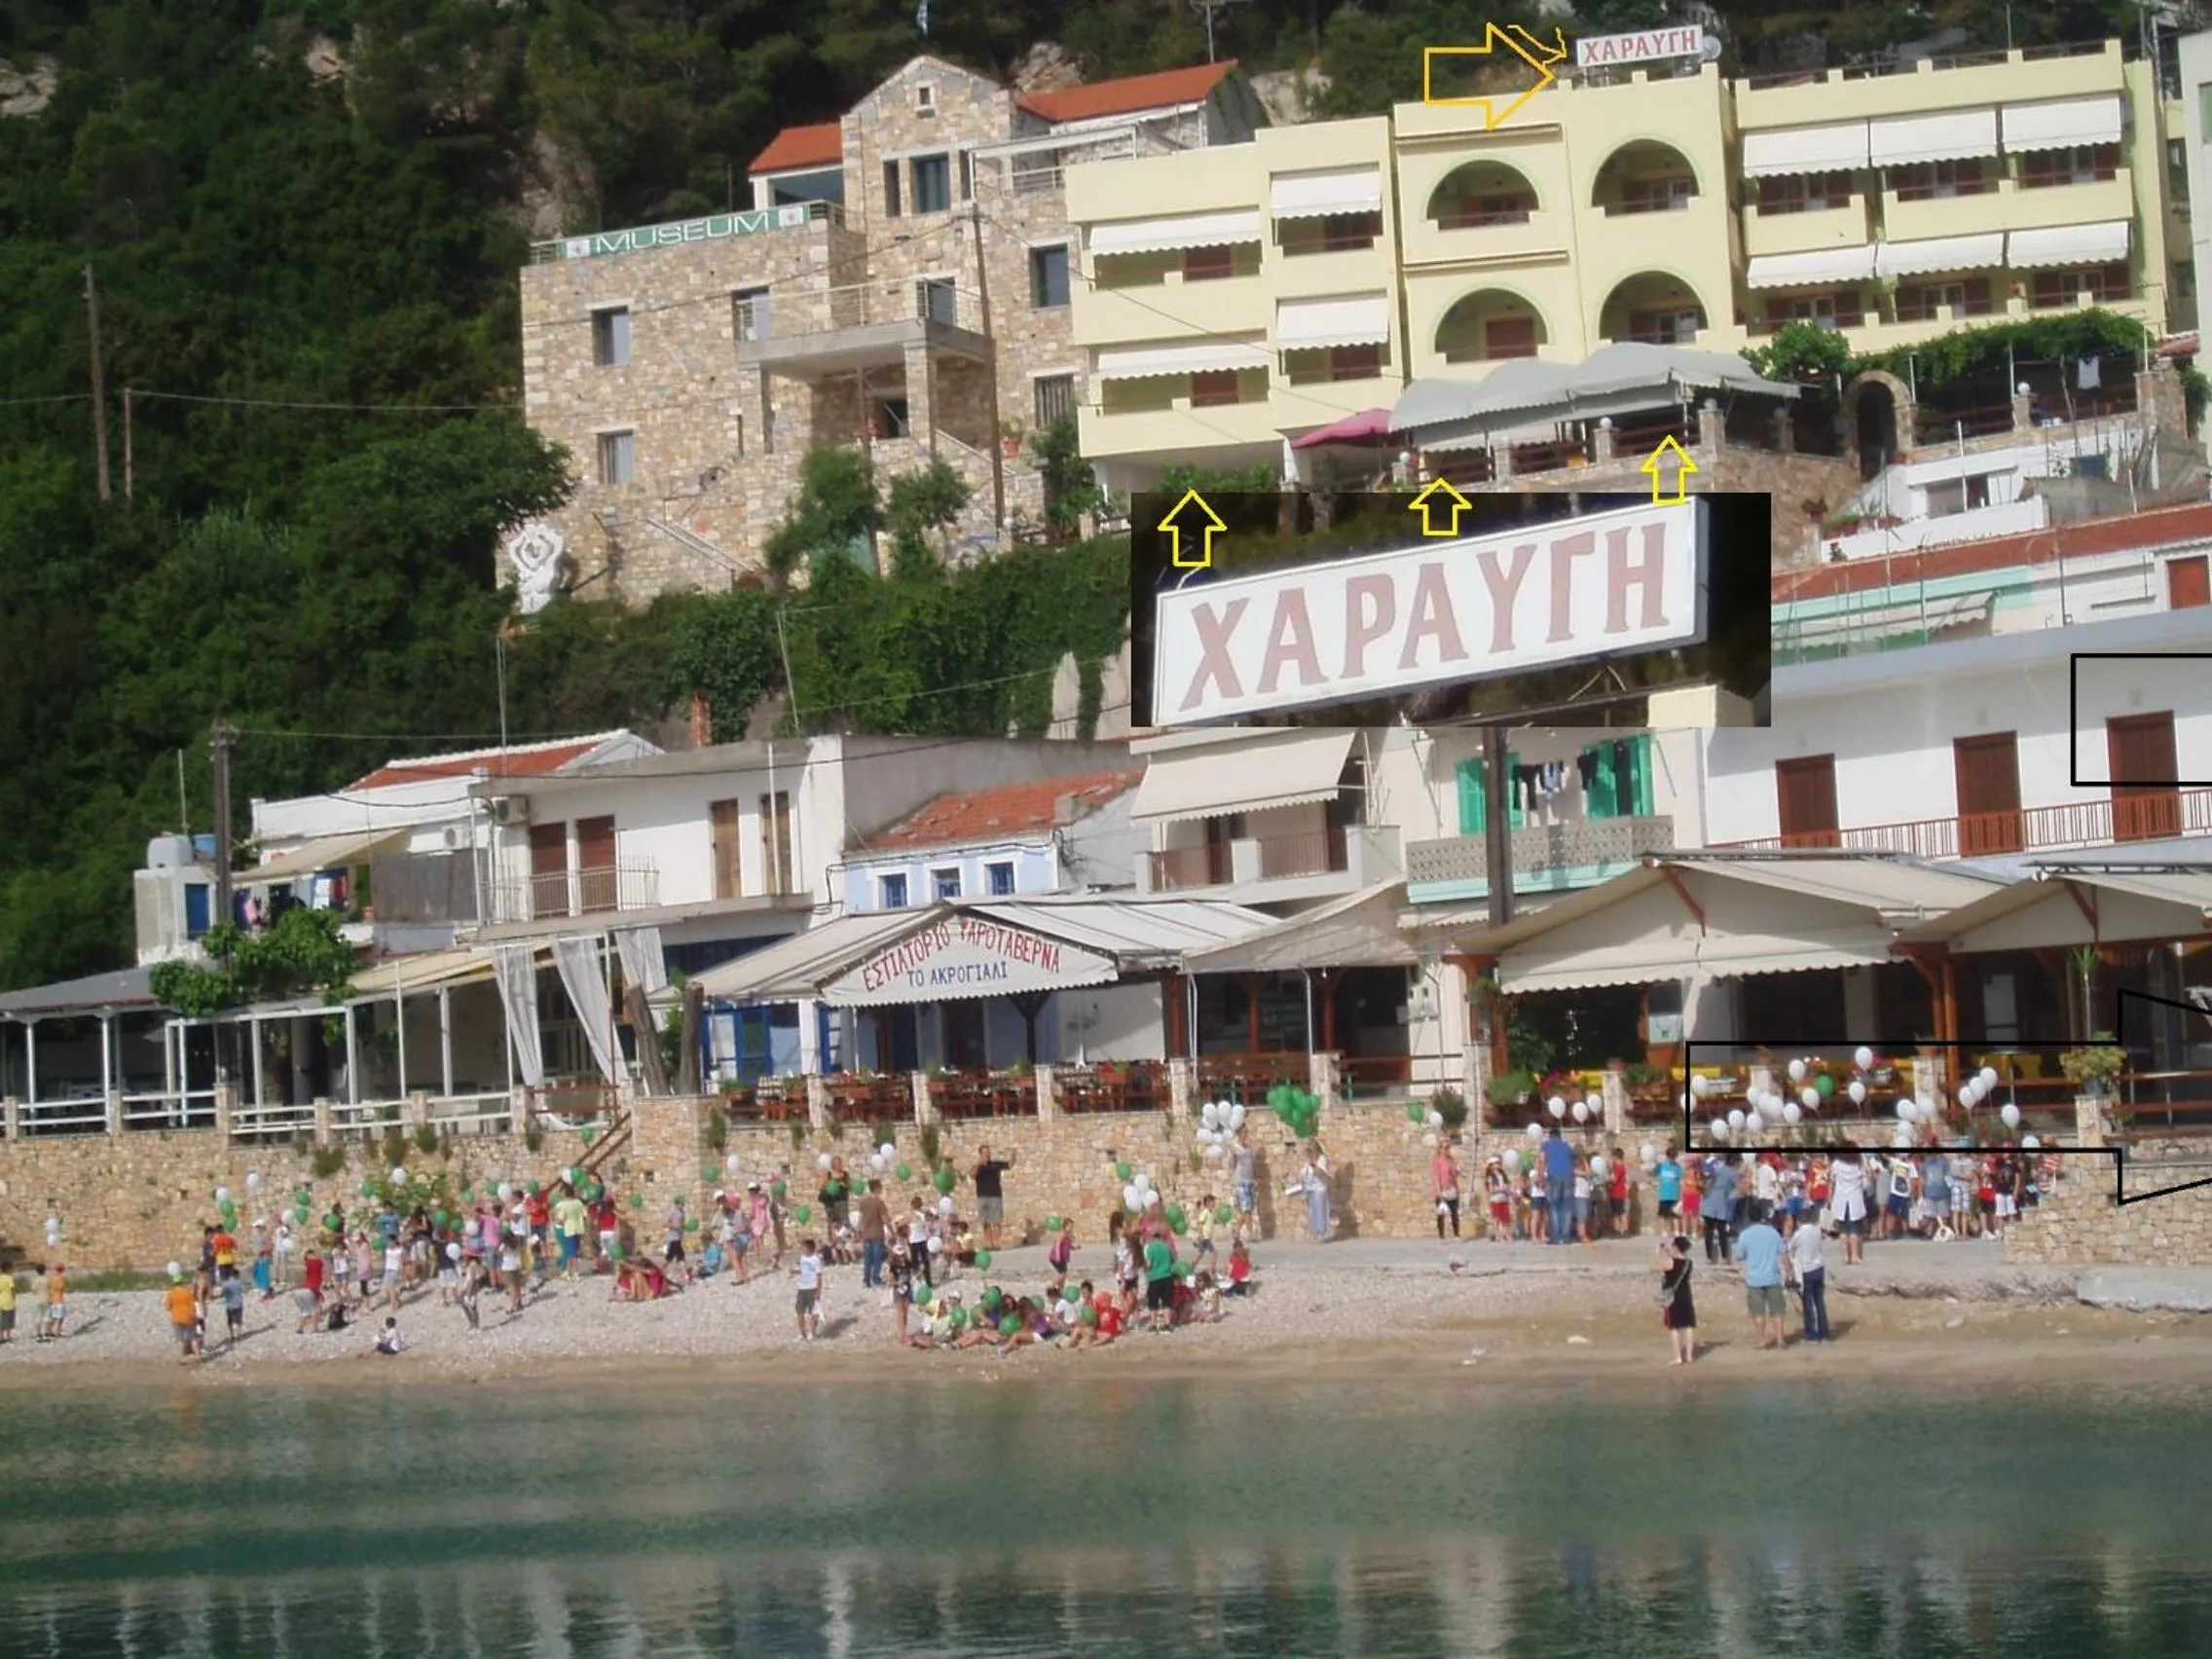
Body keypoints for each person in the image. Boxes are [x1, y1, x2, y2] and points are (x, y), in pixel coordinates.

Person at [1732, 1208, 1788, 1351]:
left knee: (1758, 1312)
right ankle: (1780, 1339)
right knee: (1777, 1311)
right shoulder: (1773, 1233)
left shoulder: (1745, 1235)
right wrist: (1790, 1272)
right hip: (1773, 1276)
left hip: (1755, 1279)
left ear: (1749, 1218)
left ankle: (1762, 1340)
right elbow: (1783, 1253)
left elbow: (1739, 1255)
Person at [1788, 1213, 1830, 1342]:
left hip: (1806, 1270)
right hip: (1819, 1268)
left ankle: (1811, 1332)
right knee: (1819, 1302)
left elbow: (1790, 1248)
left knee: (1808, 1303)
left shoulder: (1799, 1234)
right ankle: (1824, 1332)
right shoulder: (1817, 1230)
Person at [1656, 1236, 1697, 1365]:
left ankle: (1678, 1357)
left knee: (1674, 1327)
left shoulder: (1671, 1262)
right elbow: (1675, 1263)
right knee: (1688, 1325)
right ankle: (1689, 1356)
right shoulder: (1689, 1263)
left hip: (1673, 1297)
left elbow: (1656, 1267)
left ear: (1676, 1247)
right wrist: (1669, 1253)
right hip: (1686, 1294)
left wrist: (1659, 1253)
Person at [1829, 1146, 1870, 1264]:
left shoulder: (1836, 1164)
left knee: (1843, 1229)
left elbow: (1832, 1181)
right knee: (1854, 1229)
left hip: (1840, 1198)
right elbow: (1866, 1184)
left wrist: (1830, 1198)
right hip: (1855, 1198)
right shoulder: (1859, 1164)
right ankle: (1855, 1256)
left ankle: (1846, 1256)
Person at [971, 1144, 1014, 1249]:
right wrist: (978, 1164)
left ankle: (997, 1243)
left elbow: (1009, 1165)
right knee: (985, 1222)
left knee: (996, 1221)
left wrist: (1013, 1156)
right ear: (980, 1154)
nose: (987, 1154)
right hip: (982, 1196)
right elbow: (972, 1175)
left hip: (995, 1195)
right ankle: (989, 1244)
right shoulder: (978, 1167)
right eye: (985, 1152)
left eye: (988, 1152)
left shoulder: (995, 1164)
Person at [1541, 1126, 1575, 1245]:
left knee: (1554, 1206)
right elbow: (1572, 1160)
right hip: (1568, 1176)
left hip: (1554, 1175)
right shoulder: (1567, 1146)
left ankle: (1555, 1237)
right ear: (1560, 1136)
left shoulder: (1546, 1145)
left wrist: (1541, 1178)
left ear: (1550, 1136)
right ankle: (1565, 1237)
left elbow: (1542, 1160)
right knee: (1566, 1206)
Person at [1297, 1141, 1333, 1243]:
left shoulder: (1322, 1159)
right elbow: (1304, 1174)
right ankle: (1316, 1232)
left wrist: (1313, 1164)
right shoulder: (1307, 1162)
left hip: (1319, 1189)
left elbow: (1321, 1173)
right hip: (1309, 1189)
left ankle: (1322, 1233)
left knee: (1321, 1211)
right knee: (1312, 1212)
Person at [858, 1179, 891, 1291]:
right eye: (880, 1187)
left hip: (866, 1234)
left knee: (868, 1259)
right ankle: (875, 1278)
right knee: (877, 1258)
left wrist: (859, 1231)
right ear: (877, 1188)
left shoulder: (864, 1202)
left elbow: (860, 1218)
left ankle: (866, 1280)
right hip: (877, 1233)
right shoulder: (880, 1203)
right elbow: (884, 1219)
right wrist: (892, 1231)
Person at [1142, 1229, 1176, 1332]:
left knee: (1153, 1302)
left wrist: (1144, 1267)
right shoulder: (1167, 1247)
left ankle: (1153, 1323)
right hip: (1167, 1276)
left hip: (1155, 1278)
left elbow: (1149, 1264)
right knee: (1167, 1301)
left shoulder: (1151, 1248)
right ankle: (1167, 1323)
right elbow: (1173, 1259)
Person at [554, 1183, 589, 1277]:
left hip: (569, 1228)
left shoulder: (564, 1205)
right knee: (575, 1251)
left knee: (570, 1253)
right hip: (578, 1228)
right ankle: (574, 1272)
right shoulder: (578, 1203)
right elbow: (585, 1215)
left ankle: (571, 1272)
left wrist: (559, 1221)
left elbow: (560, 1219)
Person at [888, 1238, 918, 1346]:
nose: (901, 1256)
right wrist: (898, 1283)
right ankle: (902, 1334)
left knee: (906, 1312)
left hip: (907, 1288)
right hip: (898, 1289)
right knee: (900, 1312)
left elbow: (912, 1275)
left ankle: (904, 1332)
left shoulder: (908, 1264)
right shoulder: (893, 1266)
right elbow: (890, 1281)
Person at [166, 1272, 201, 1362]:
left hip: (177, 1318)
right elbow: (193, 1307)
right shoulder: (188, 1293)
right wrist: (195, 1317)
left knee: (181, 1339)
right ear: (182, 1282)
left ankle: (182, 1358)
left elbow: (167, 1307)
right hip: (189, 1317)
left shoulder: (170, 1294)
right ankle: (197, 1356)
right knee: (193, 1337)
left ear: (173, 1283)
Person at [794, 1237, 825, 1342]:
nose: (801, 1249)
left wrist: (818, 1290)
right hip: (802, 1288)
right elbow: (802, 1271)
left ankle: (812, 1333)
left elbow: (819, 1276)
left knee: (813, 1312)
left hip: (812, 1288)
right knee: (799, 1311)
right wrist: (794, 1272)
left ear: (809, 1248)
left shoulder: (816, 1260)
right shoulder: (802, 1258)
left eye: (803, 1248)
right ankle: (802, 1333)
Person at [1231, 1127, 1258, 1238]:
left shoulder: (1249, 1148)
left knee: (1248, 1209)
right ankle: (1250, 1233)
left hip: (1250, 1180)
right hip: (1241, 1181)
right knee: (1246, 1209)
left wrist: (1255, 1179)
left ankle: (1236, 1229)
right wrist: (1233, 1156)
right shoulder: (1235, 1148)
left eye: (1246, 1132)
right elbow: (1232, 1165)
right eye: (1244, 1132)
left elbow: (1253, 1165)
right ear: (1238, 1133)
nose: (1246, 1134)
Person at [1430, 1140, 1461, 1240]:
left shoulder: (1451, 1160)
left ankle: (1456, 1234)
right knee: (1441, 1213)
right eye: (1443, 1147)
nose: (1445, 1149)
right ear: (1440, 1149)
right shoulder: (1437, 1161)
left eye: (1447, 1147)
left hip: (1452, 1189)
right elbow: (1436, 1176)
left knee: (1454, 1212)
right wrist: (1439, 1192)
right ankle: (1441, 1235)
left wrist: (1457, 1172)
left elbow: (1454, 1175)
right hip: (1442, 1190)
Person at [1654, 1144, 1683, 1234]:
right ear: (1667, 1156)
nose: (1672, 1159)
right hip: (1664, 1195)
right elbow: (1653, 1173)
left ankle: (1676, 1231)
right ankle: (1664, 1230)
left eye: (1674, 1157)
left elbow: (1680, 1180)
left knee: (1674, 1214)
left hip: (1673, 1194)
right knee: (1663, 1215)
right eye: (1671, 1157)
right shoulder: (1661, 1165)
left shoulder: (1677, 1167)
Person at [1484, 1157, 1512, 1243]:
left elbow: (1507, 1185)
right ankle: (1498, 1236)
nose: (1498, 1164)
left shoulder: (1502, 1175)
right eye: (1496, 1163)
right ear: (1492, 1166)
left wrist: (1508, 1190)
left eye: (1499, 1163)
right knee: (1497, 1218)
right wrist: (1501, 1189)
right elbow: (1491, 1190)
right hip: (1496, 1199)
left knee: (1506, 1218)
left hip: (1504, 1198)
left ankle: (1507, 1234)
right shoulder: (1490, 1177)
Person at [38, 1260, 66, 1342]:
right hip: (59, 1300)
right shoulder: (61, 1279)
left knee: (53, 1317)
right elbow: (61, 1288)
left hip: (52, 1300)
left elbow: (50, 1288)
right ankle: (57, 1331)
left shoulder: (51, 1278)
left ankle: (50, 1331)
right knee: (60, 1318)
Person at [220, 1269, 247, 1349]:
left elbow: (223, 1293)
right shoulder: (239, 1282)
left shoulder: (225, 1284)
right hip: (238, 1304)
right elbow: (244, 1290)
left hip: (229, 1305)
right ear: (237, 1275)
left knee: (230, 1321)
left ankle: (232, 1335)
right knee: (239, 1321)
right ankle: (239, 1335)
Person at [0, 1264, 14, 1345]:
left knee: (2, 1319)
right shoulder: (9, 1278)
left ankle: (1, 1336)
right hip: (8, 1301)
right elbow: (12, 1288)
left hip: (1, 1300)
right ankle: (8, 1335)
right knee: (9, 1319)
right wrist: (14, 1298)